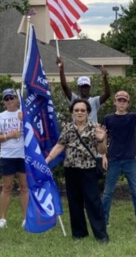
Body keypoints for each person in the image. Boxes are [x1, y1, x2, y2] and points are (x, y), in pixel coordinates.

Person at [45, 99, 109, 243]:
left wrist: (100, 139)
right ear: (72, 112)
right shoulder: (68, 128)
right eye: (77, 110)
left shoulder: (95, 127)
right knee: (74, 202)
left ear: (87, 113)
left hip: (88, 169)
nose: (80, 113)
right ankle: (79, 234)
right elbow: (59, 146)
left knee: (93, 202)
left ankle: (101, 235)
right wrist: (47, 160)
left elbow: (102, 150)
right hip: (71, 169)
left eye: (83, 110)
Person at [101, 91, 136, 228]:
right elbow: (103, 138)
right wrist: (103, 156)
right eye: (119, 100)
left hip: (130, 160)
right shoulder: (108, 118)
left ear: (128, 103)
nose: (122, 103)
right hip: (113, 160)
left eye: (124, 101)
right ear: (115, 102)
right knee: (108, 192)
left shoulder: (133, 117)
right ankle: (103, 219)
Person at [0, 88, 28, 229]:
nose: (10, 101)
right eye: (7, 99)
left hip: (23, 155)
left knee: (24, 187)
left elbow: (34, 132)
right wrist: (9, 136)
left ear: (17, 99)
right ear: (3, 102)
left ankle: (26, 218)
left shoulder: (23, 113)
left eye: (12, 97)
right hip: (7, 155)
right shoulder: (0, 116)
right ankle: (3, 218)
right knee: (7, 187)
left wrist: (25, 120)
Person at [57, 57, 110, 123]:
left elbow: (107, 94)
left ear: (89, 87)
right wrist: (61, 69)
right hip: (78, 132)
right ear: (78, 88)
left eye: (86, 87)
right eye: (82, 87)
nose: (84, 89)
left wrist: (104, 77)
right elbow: (64, 86)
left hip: (91, 132)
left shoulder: (94, 101)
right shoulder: (75, 100)